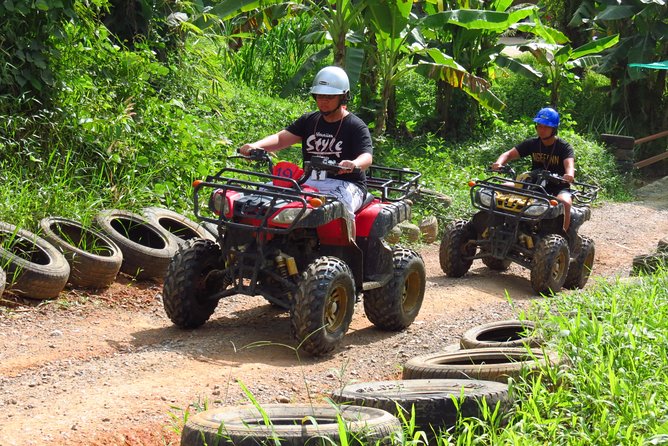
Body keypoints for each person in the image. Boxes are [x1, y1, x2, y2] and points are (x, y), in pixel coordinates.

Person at [238, 66, 373, 219]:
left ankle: (342, 243)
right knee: (261, 197)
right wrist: (256, 146)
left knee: (337, 208)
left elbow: (366, 157)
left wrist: (353, 164)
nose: (323, 101)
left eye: (329, 97)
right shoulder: (309, 120)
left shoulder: (355, 125)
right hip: (309, 180)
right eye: (320, 96)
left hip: (346, 184)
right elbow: (281, 139)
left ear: (343, 97)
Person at [491, 107, 575, 232]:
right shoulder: (532, 143)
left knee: (565, 203)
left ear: (554, 129)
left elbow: (569, 164)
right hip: (533, 183)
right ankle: (497, 226)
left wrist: (569, 174)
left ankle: (563, 235)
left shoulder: (564, 147)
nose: (542, 130)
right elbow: (508, 154)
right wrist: (499, 163)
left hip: (558, 185)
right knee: (501, 188)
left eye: (546, 127)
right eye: (539, 126)